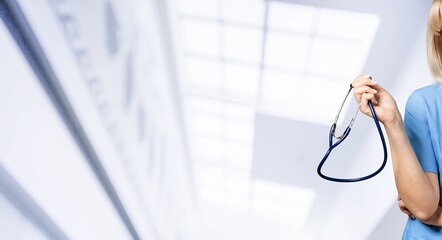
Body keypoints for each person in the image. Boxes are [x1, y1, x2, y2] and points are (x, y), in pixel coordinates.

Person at [352, 1, 442, 239]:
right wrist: (393, 122)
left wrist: (439, 217)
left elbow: (429, 213)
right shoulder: (425, 103)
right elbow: (423, 207)